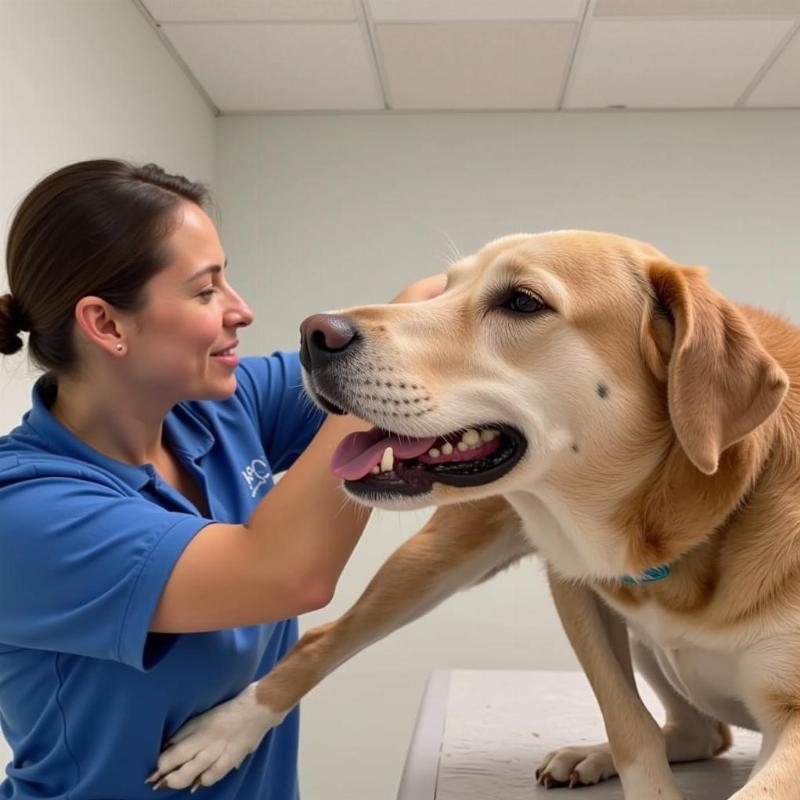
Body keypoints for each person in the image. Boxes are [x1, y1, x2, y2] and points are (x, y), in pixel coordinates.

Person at [0, 159, 445, 798]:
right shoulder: (26, 512)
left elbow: (410, 333)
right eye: (206, 290)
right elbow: (288, 573)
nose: (242, 310)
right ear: (106, 324)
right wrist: (374, 379)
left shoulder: (219, 409)